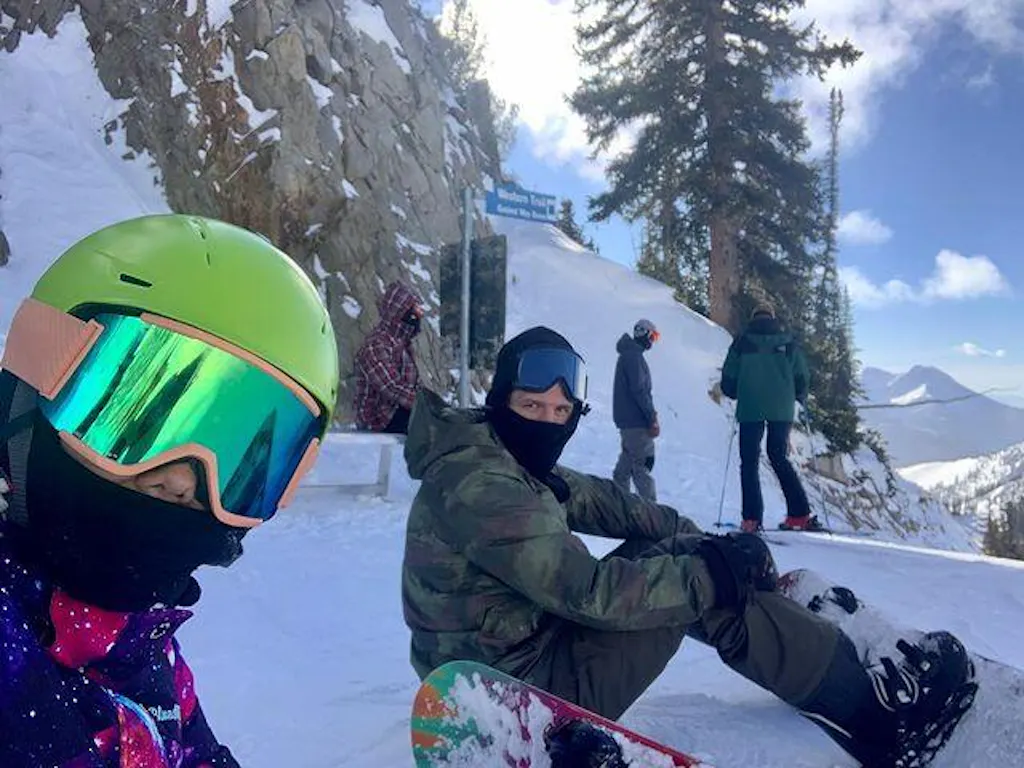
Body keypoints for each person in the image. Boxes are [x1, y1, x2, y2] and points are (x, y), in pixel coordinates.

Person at [401, 325, 975, 767]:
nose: (549, 423)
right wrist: (712, 570)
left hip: (511, 655)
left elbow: (604, 501)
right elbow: (592, 593)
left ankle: (805, 647)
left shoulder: (497, 454)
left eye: (561, 411)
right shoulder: (484, 485)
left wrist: (706, 541)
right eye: (532, 407)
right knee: (694, 585)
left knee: (684, 557)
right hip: (516, 691)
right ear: (501, 401)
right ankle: (875, 714)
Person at [0, 214, 339, 767]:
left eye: (239, 458)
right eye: (134, 422)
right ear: (27, 389)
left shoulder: (140, 646)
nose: (181, 479)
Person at [719, 302, 818, 533]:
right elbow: (802, 376)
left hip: (750, 406)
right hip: (781, 408)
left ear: (753, 318)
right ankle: (799, 514)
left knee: (749, 462)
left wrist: (734, 392)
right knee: (778, 456)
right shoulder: (788, 342)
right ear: (772, 318)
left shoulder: (742, 342)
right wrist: (799, 394)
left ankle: (751, 520)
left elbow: (729, 376)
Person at [353, 280, 423, 434]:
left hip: (397, 413)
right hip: (379, 420)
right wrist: (423, 405)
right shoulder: (376, 345)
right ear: (400, 313)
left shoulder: (402, 343)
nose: (418, 316)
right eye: (414, 312)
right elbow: (391, 387)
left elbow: (412, 385)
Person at [612, 319, 660, 502]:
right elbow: (639, 390)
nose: (653, 342)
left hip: (628, 421)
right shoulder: (633, 357)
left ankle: (618, 504)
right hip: (636, 422)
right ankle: (652, 512)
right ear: (645, 334)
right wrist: (651, 417)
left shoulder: (629, 354)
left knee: (625, 466)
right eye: (653, 337)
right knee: (642, 464)